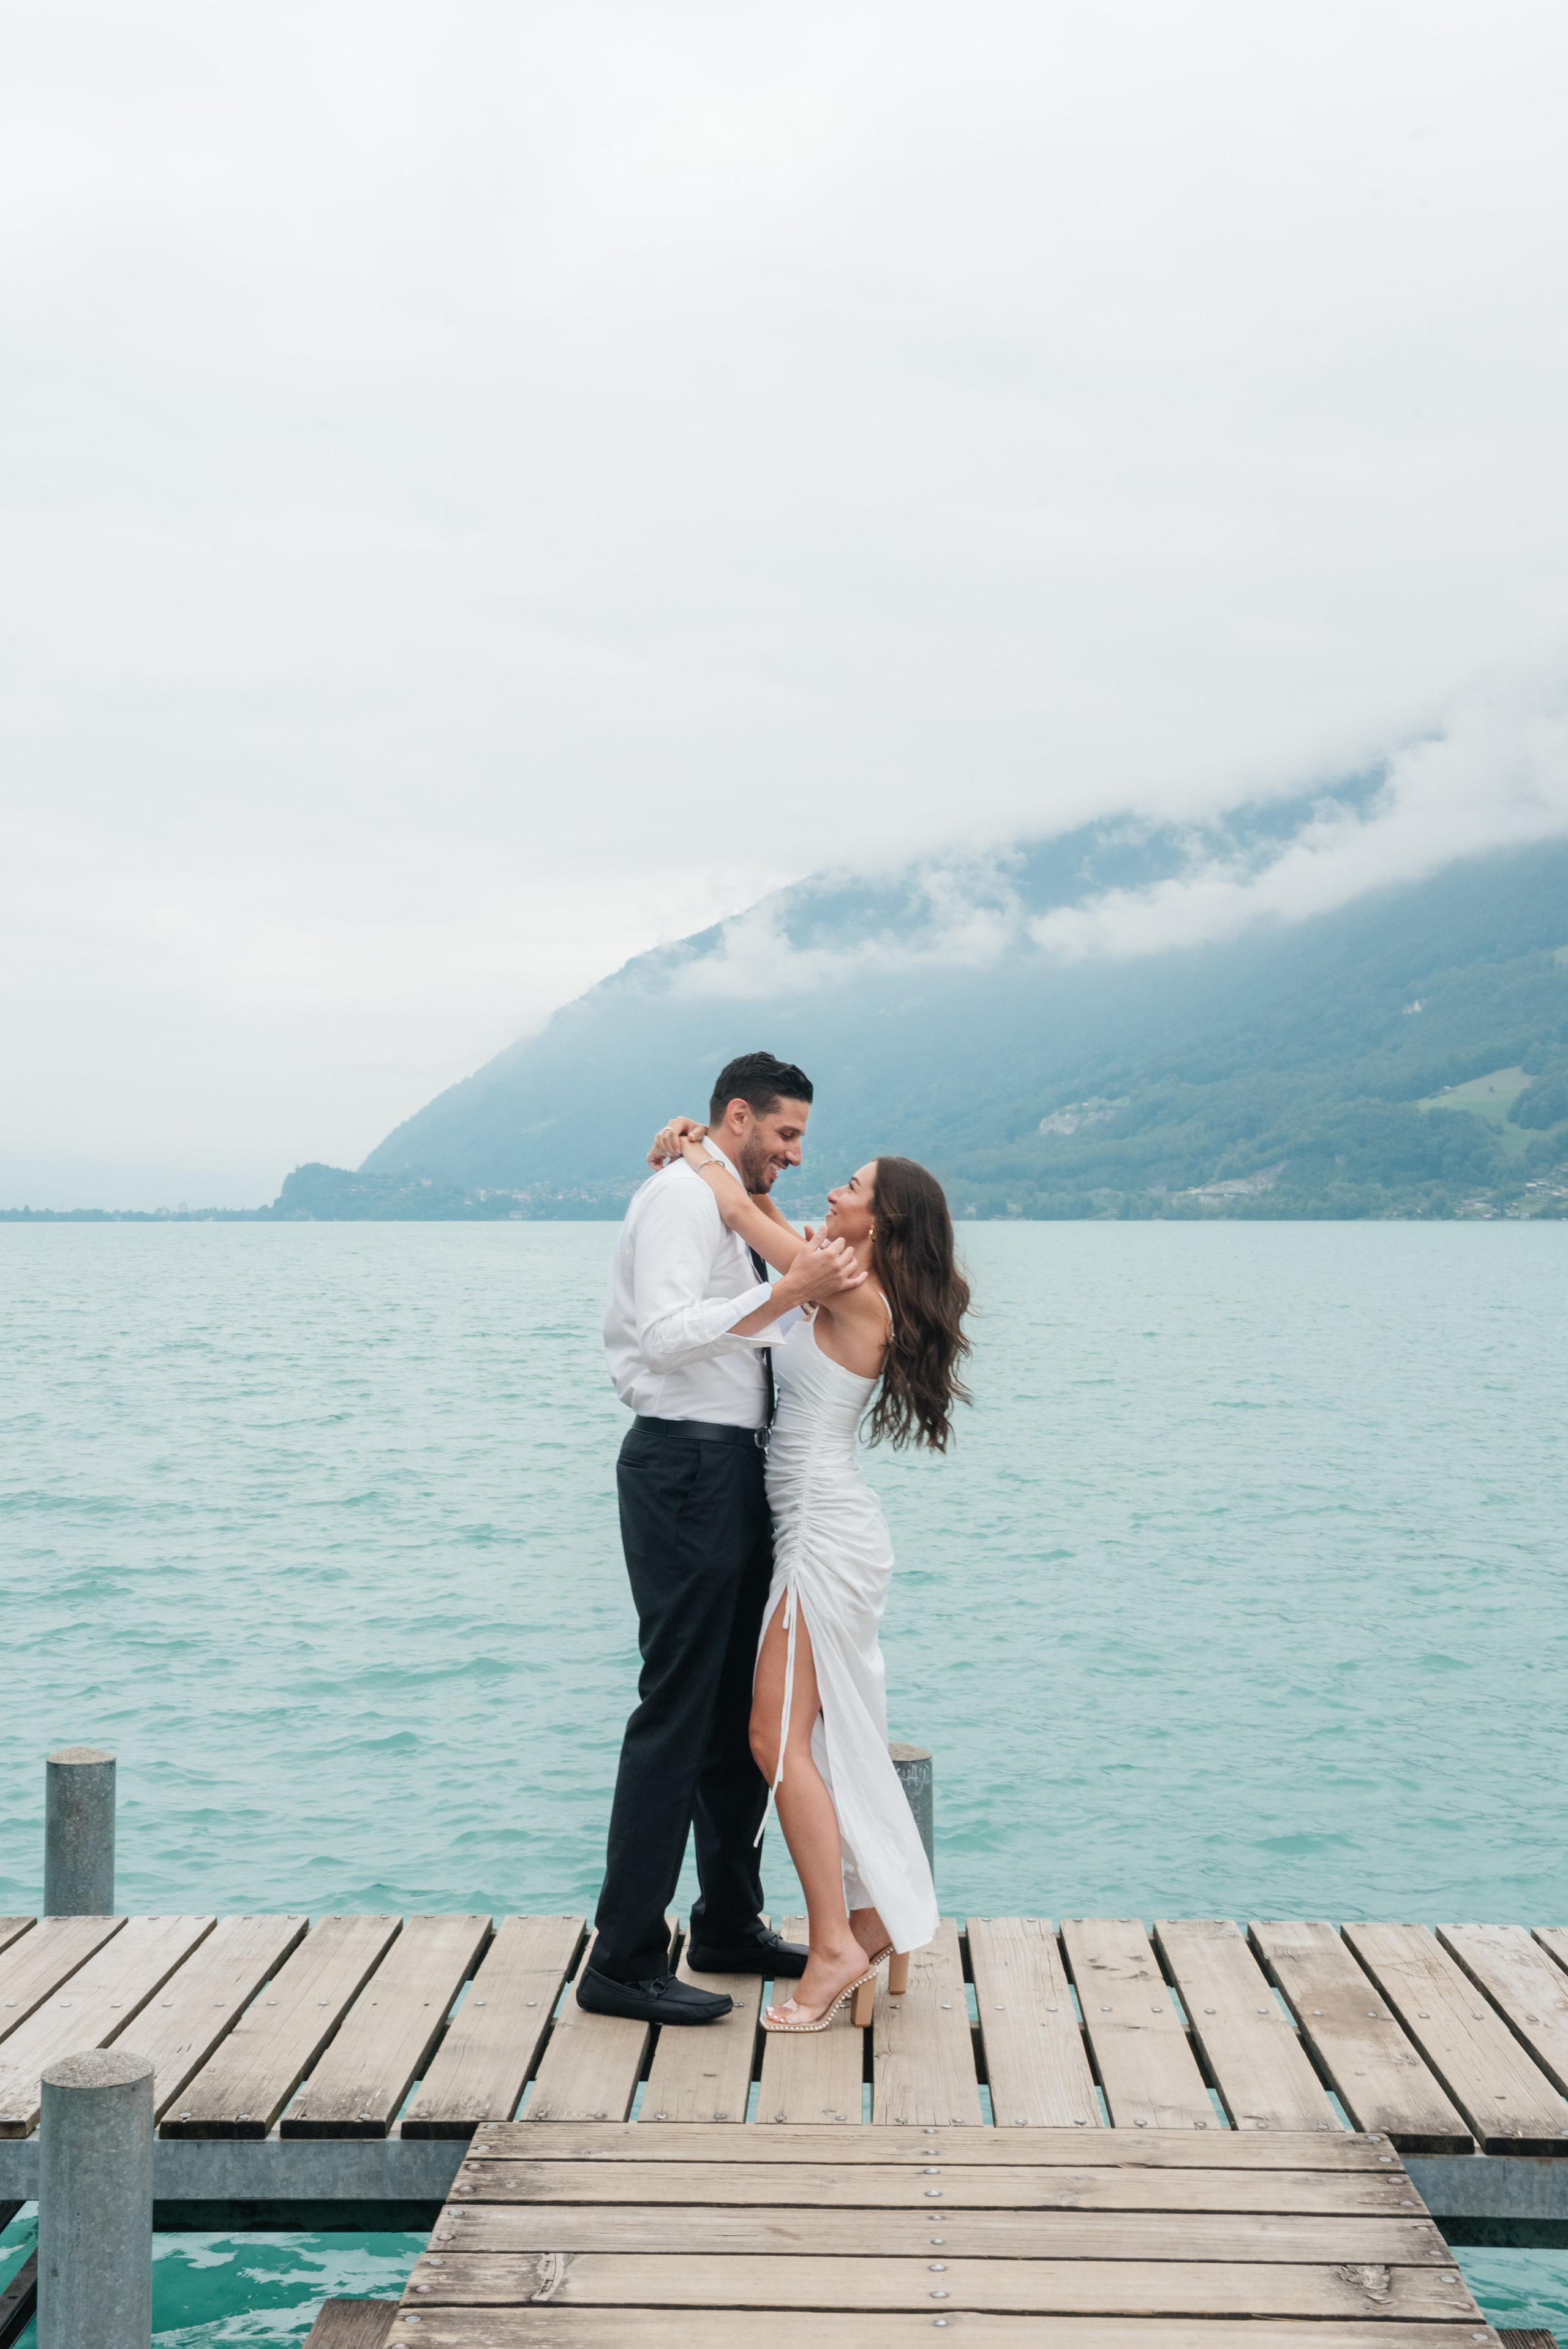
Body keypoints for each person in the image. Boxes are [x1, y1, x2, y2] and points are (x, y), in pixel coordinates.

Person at [644, 1113, 971, 2033]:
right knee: (820, 1739)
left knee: (773, 1739)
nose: (833, 1188)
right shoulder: (855, 1281)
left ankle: (834, 1944)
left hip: (823, 1534)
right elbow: (768, 1217)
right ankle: (868, 1917)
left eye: (854, 1188)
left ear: (885, 1223)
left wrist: (696, 1143)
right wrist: (719, 1159)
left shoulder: (850, 1289)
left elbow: (745, 1217)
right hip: (820, 1529)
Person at [582, 1051, 872, 2026]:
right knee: (675, 1708)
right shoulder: (679, 1197)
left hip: (741, 1472)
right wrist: (786, 1297)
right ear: (737, 1117)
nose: (795, 1155)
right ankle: (622, 1954)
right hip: (684, 1469)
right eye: (785, 1135)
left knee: (736, 1715)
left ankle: (728, 1923)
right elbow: (664, 1335)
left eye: (801, 1141)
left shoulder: (728, 1193)